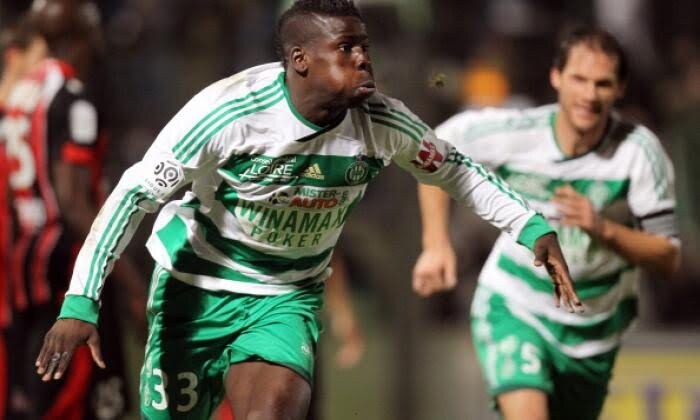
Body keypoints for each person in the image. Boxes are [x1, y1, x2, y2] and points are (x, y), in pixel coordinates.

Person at [36, 1, 581, 419]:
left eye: (364, 46)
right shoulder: (230, 112)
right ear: (300, 59)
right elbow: (133, 194)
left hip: (286, 297)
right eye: (346, 48)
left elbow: (457, 171)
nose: (363, 58)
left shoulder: (383, 123)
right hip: (195, 289)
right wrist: (81, 301)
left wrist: (530, 226)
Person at [412, 26, 680, 420]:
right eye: (579, 79)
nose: (589, 95)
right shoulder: (516, 132)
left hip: (594, 326)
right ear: (556, 77)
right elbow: (431, 150)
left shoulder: (639, 153)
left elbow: (667, 257)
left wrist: (603, 229)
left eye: (602, 84)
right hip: (515, 301)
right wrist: (436, 244)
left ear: (619, 88)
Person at [3, 1, 144, 418]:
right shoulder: (73, 99)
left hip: (23, 264)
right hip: (69, 268)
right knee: (84, 403)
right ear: (83, 38)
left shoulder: (19, 93)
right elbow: (72, 200)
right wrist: (131, 282)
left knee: (31, 396)